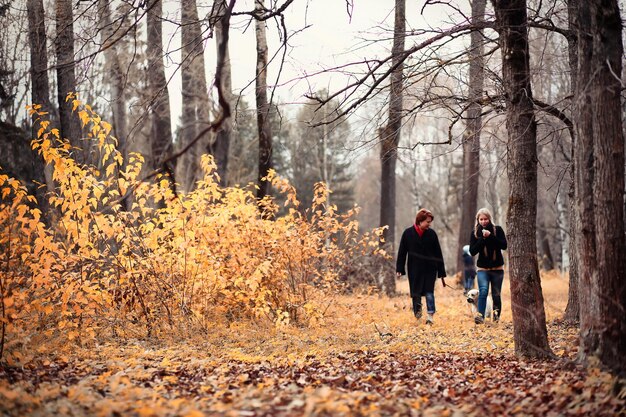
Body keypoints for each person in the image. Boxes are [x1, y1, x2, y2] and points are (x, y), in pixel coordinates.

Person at [396, 208, 447, 325]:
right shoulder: (407, 233)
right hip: (414, 269)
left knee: (429, 292)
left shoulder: (432, 234)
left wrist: (441, 272)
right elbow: (402, 252)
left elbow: (438, 253)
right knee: (416, 293)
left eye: (430, 222)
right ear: (420, 221)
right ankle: (418, 316)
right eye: (428, 222)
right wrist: (400, 268)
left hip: (430, 269)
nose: (429, 224)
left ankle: (430, 316)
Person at [468, 207, 507, 324]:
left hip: (497, 269)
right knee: (483, 291)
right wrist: (482, 239)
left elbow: (504, 245)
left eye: (486, 219)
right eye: (481, 219)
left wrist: (490, 236)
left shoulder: (498, 230)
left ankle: (496, 319)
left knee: (496, 294)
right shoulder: (475, 233)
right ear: (478, 220)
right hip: (482, 269)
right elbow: (472, 251)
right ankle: (480, 317)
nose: (483, 221)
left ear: (490, 219)